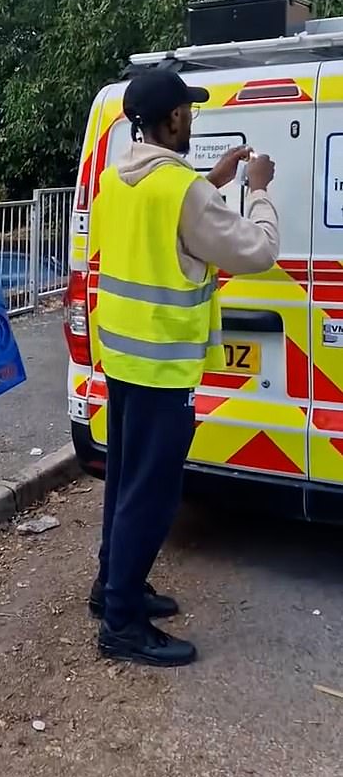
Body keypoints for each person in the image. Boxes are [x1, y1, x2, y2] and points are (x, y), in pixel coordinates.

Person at [91, 68, 279, 667]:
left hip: (121, 359)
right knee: (151, 496)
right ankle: (121, 624)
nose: (192, 118)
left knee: (125, 483)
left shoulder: (118, 178)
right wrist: (259, 189)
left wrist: (211, 182)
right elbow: (257, 250)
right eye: (188, 111)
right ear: (172, 118)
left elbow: (165, 227)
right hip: (163, 368)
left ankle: (111, 588)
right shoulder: (182, 189)